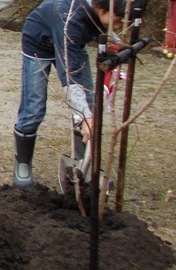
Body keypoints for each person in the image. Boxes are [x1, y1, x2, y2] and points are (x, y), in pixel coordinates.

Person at [12, 0, 148, 189]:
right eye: (117, 20)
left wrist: (118, 44)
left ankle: (84, 163)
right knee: (34, 106)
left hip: (72, 44)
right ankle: (23, 164)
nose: (117, 26)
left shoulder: (98, 8)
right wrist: (84, 118)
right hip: (39, 42)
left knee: (88, 101)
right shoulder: (71, 20)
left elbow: (104, 29)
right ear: (101, 8)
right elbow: (70, 77)